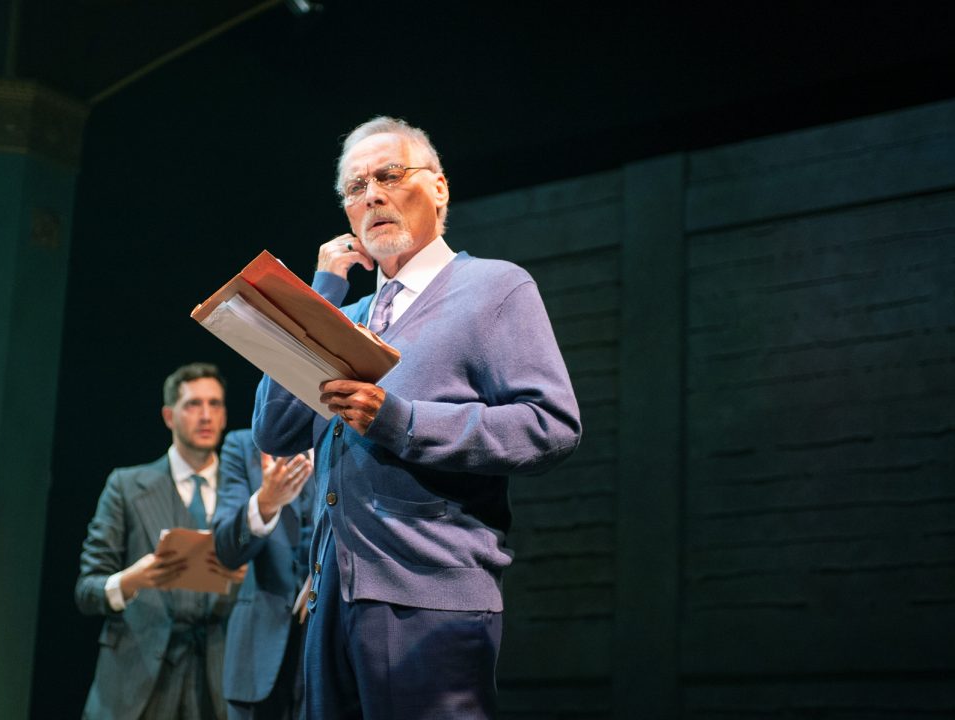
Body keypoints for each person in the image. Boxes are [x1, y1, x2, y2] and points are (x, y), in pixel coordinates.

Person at [252, 116, 582, 719]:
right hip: (332, 595)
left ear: (439, 188)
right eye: (355, 188)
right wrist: (319, 294)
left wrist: (401, 420)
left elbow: (551, 426)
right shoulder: (346, 314)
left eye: (390, 175)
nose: (372, 194)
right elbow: (275, 431)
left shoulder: (493, 288)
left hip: (429, 596)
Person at [76, 362, 243, 720]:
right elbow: (86, 590)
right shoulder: (126, 487)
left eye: (215, 404)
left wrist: (244, 578)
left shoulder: (244, 494)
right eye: (193, 404)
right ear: (169, 416)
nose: (205, 415)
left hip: (217, 678)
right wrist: (131, 580)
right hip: (138, 676)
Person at [212, 430, 315, 720]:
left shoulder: (350, 442)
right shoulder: (243, 446)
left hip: (326, 652)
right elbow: (227, 551)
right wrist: (266, 503)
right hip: (257, 653)